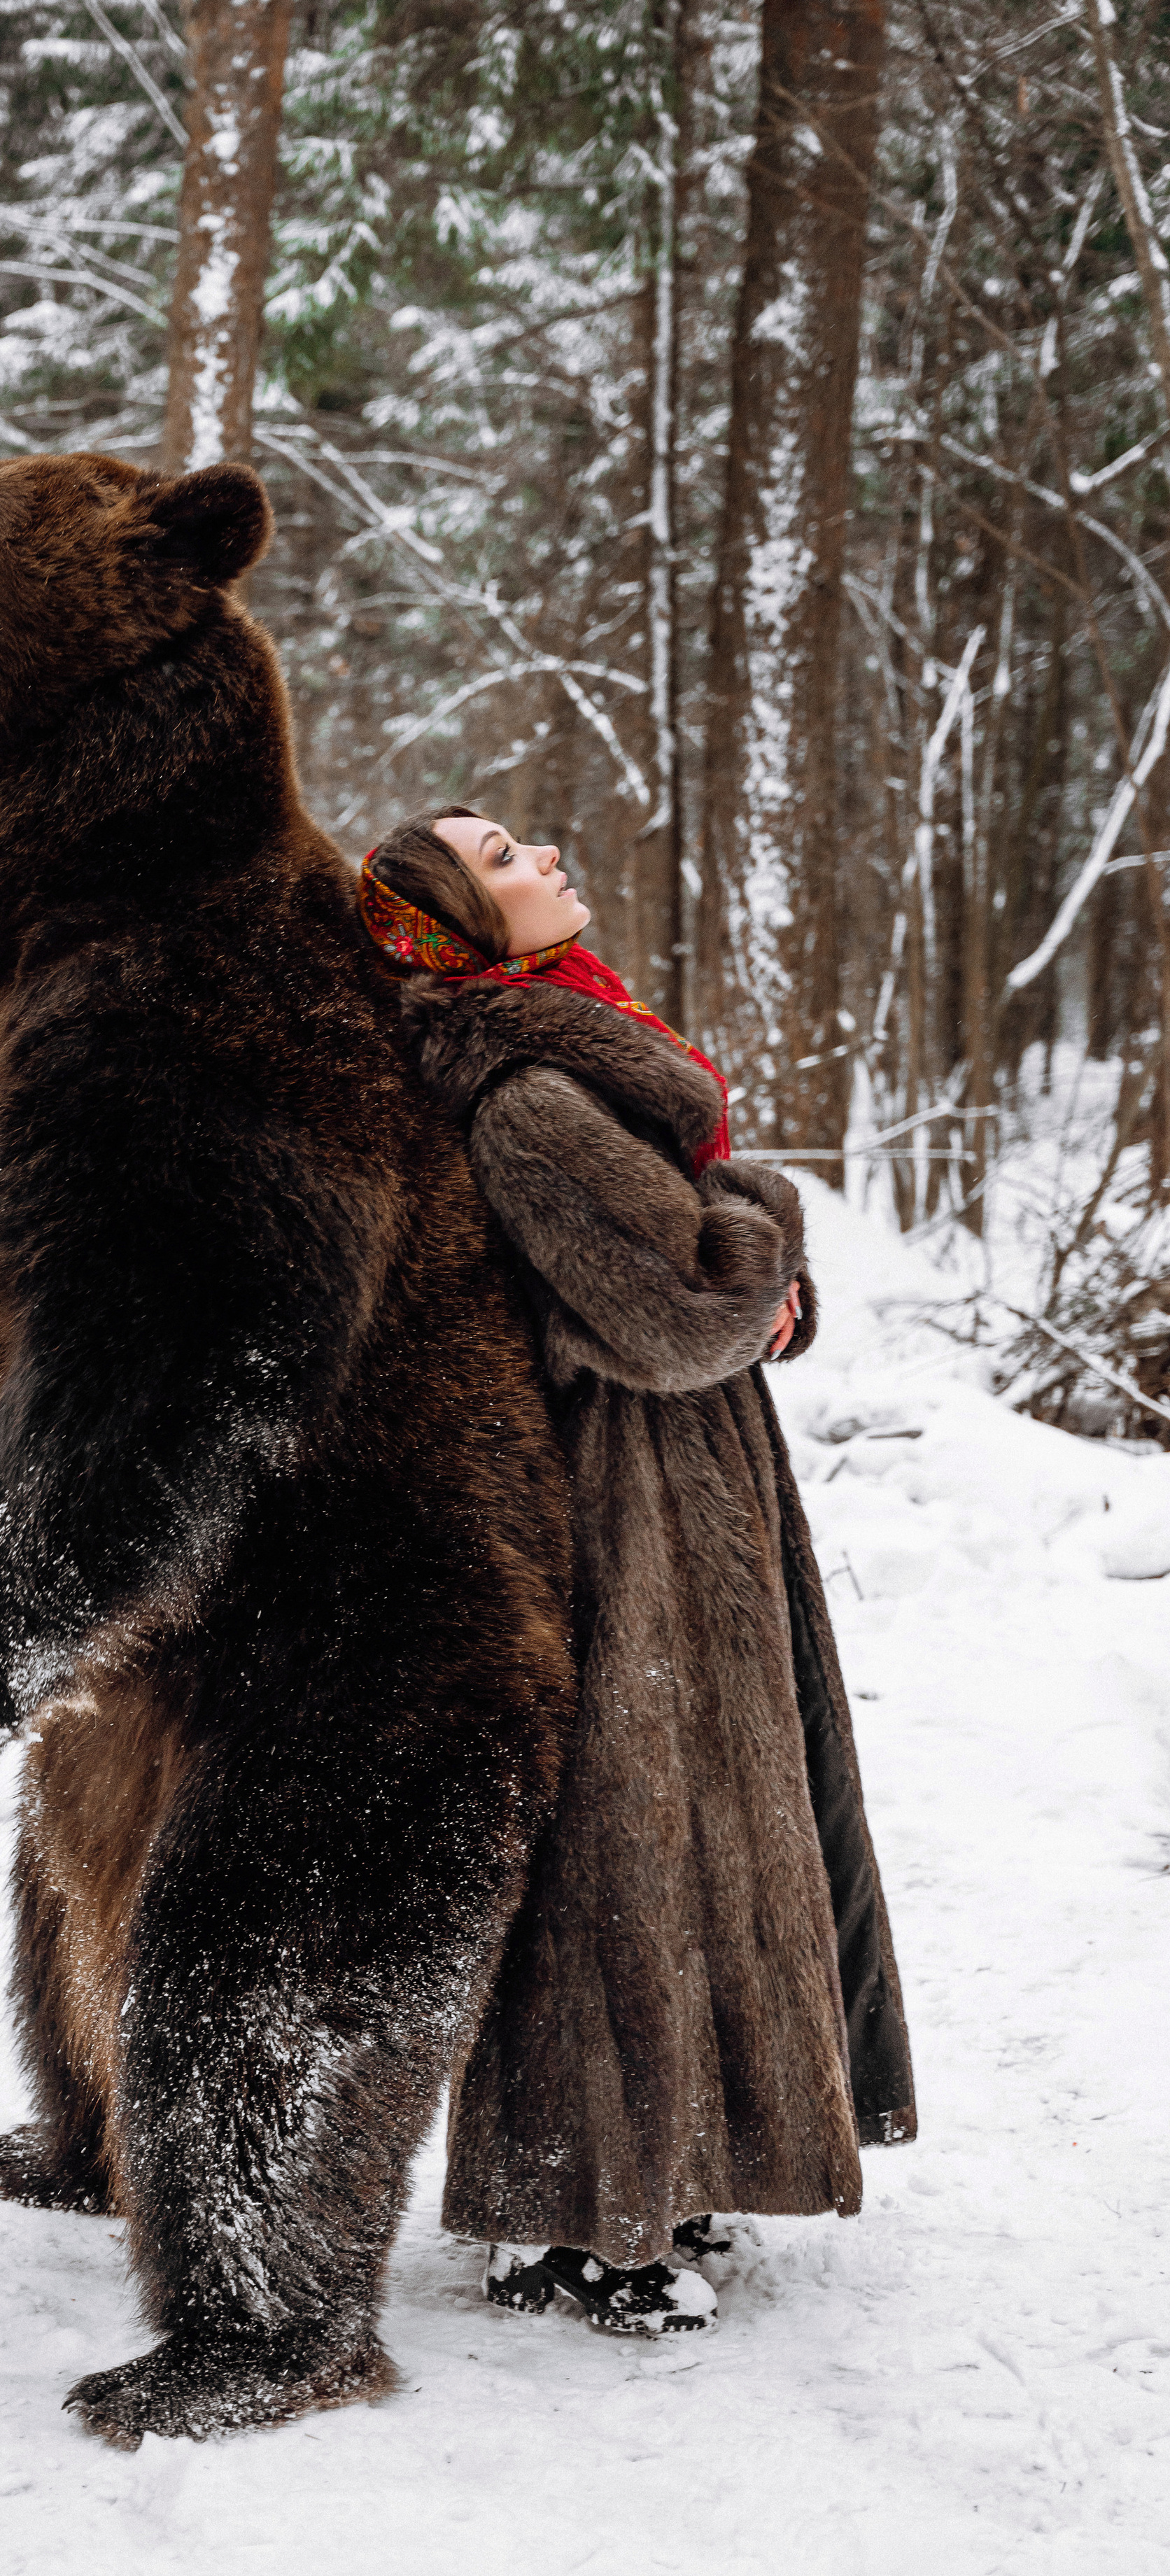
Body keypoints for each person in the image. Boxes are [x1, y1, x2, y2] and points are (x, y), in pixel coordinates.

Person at [360, 805, 916, 2337]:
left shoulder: (559, 1056)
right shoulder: (526, 1093)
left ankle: (651, 2182)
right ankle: (578, 2224)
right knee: (627, 1841)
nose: (537, 851)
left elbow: (698, 1297)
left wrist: (751, 1280)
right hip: (618, 1505)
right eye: (498, 855)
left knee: (693, 1831)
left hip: (675, 1490)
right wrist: (767, 1232)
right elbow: (681, 1308)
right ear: (459, 924)